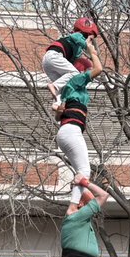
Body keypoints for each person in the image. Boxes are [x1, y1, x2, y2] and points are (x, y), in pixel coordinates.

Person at [55, 38, 103, 207]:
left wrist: (60, 110)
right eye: (86, 71)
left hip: (65, 132)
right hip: (71, 131)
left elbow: (58, 116)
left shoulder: (71, 89)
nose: (89, 75)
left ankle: (82, 200)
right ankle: (73, 206)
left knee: (81, 172)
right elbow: (99, 69)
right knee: (84, 171)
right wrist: (92, 51)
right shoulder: (75, 81)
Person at [42, 17, 100, 106]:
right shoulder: (76, 35)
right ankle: (54, 86)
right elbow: (79, 40)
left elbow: (73, 61)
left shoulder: (77, 49)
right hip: (54, 56)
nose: (91, 42)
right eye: (91, 39)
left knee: (64, 86)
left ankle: (58, 103)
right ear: (86, 33)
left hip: (48, 63)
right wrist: (88, 46)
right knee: (74, 74)